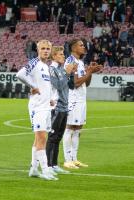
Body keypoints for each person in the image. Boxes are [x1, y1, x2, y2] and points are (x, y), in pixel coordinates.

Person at [17, 40, 58, 181]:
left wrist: (51, 98)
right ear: (38, 49)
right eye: (43, 48)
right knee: (41, 138)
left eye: (48, 49)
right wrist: (32, 85)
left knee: (40, 139)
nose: (46, 51)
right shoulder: (34, 62)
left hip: (46, 106)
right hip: (37, 107)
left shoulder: (46, 67)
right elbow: (20, 74)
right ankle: (45, 171)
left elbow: (47, 86)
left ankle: (34, 169)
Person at [62, 39, 102, 169]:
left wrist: (89, 71)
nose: (84, 47)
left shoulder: (80, 62)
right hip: (73, 99)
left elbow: (86, 83)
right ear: (73, 48)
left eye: (83, 45)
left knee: (78, 129)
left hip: (81, 99)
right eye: (81, 45)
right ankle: (67, 160)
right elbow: (75, 83)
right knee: (69, 128)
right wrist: (89, 72)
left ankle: (74, 159)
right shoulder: (70, 61)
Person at [46, 46, 76, 174]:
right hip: (56, 107)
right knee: (52, 137)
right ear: (53, 57)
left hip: (64, 107)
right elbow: (57, 85)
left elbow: (71, 86)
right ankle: (47, 165)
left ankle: (54, 164)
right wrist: (67, 73)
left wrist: (72, 73)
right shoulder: (51, 69)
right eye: (60, 54)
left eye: (63, 54)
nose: (63, 56)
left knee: (58, 137)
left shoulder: (62, 69)